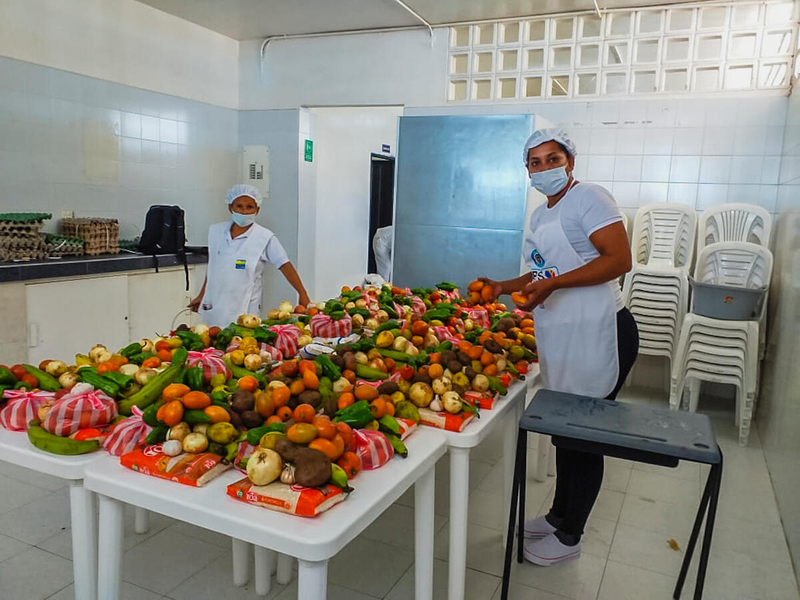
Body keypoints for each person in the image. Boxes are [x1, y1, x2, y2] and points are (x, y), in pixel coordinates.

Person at [480, 128, 639, 567]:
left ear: (570, 161)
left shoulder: (590, 198)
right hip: (567, 334)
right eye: (535, 162)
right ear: (527, 170)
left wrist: (553, 284)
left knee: (585, 439)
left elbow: (618, 260)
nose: (544, 168)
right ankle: (556, 516)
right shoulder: (541, 215)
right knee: (566, 433)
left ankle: (569, 535)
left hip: (602, 331)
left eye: (553, 159)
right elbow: (540, 272)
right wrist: (501, 286)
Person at [189, 184, 311, 327]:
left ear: (257, 210)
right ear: (230, 208)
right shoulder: (216, 232)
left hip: (244, 310)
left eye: (249, 207)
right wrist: (202, 295)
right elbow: (213, 268)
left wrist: (303, 294)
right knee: (209, 343)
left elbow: (285, 265)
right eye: (239, 206)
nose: (244, 211)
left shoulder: (264, 238)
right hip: (214, 305)